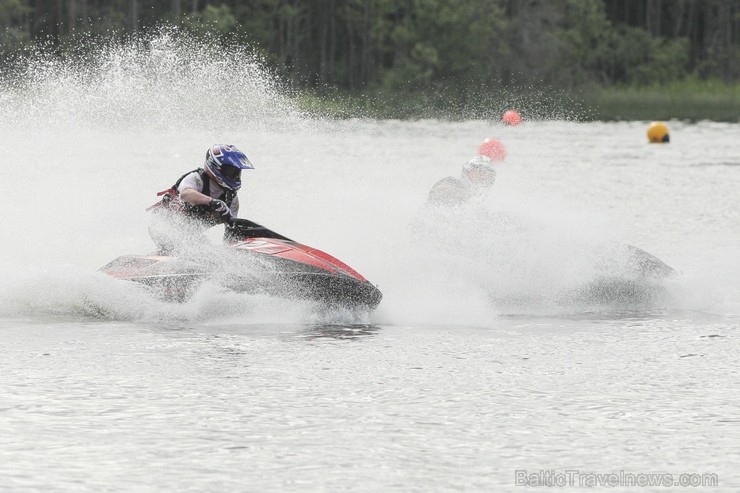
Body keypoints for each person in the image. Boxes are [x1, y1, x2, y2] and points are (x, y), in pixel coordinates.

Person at [147, 144, 254, 255]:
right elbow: (185, 194)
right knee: (184, 250)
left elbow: (230, 231)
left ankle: (157, 257)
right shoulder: (196, 178)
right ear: (216, 167)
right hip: (162, 225)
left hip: (189, 234)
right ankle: (152, 262)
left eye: (237, 173)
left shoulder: (232, 199)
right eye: (232, 172)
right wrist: (211, 202)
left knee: (210, 255)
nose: (235, 177)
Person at [426, 155, 496, 206]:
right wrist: (467, 195)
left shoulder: (479, 200)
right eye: (478, 171)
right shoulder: (451, 181)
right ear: (467, 172)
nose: (481, 176)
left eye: (485, 174)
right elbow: (440, 189)